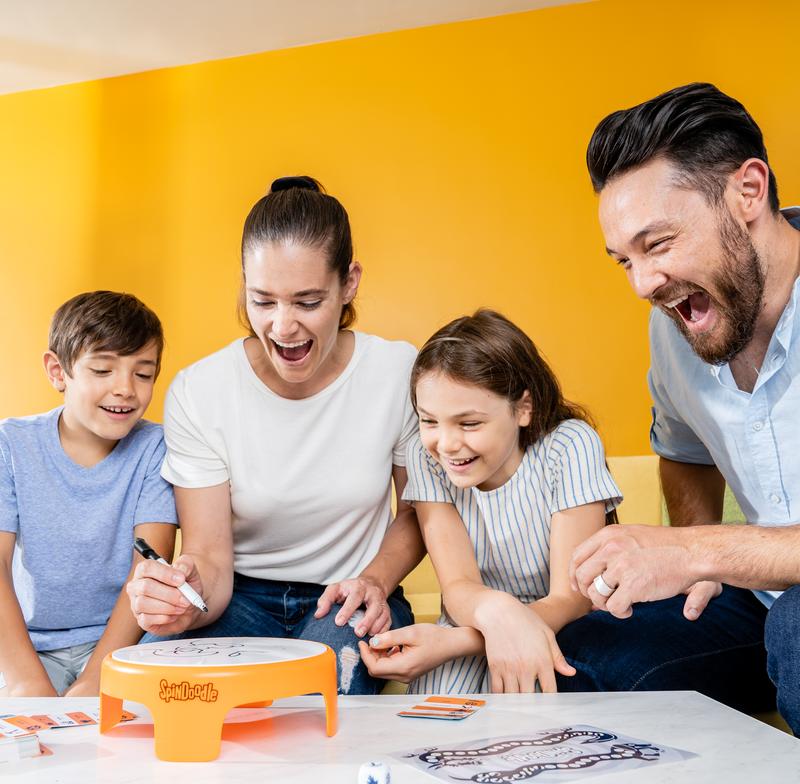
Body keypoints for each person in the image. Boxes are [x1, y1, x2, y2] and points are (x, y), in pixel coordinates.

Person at [127, 176, 423, 694]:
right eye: (263, 301)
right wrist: (183, 602)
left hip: (351, 592)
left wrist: (376, 580)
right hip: (238, 597)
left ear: (349, 282)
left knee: (319, 695)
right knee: (161, 687)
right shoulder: (200, 390)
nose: (283, 327)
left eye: (307, 302)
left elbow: (420, 508)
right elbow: (210, 558)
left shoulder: (398, 371)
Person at [562, 83, 799, 724]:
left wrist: (701, 551)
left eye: (658, 244)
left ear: (749, 191)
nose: (642, 285)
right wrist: (702, 559)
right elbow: (684, 452)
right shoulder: (676, 324)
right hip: (759, 595)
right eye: (623, 261)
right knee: (589, 651)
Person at [360, 309, 621, 692]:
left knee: (531, 721)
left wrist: (455, 642)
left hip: (564, 625)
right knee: (435, 718)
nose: (446, 445)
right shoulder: (424, 455)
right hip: (472, 615)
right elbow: (459, 586)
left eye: (469, 423)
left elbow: (572, 599)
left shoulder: (569, 446)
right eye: (429, 421)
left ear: (522, 409)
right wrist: (490, 613)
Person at [0, 291, 177, 697]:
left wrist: (99, 676)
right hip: (26, 645)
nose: (125, 390)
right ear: (58, 371)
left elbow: (148, 562)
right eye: (102, 370)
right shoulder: (10, 443)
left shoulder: (156, 448)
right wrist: (26, 680)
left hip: (124, 644)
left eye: (143, 374)